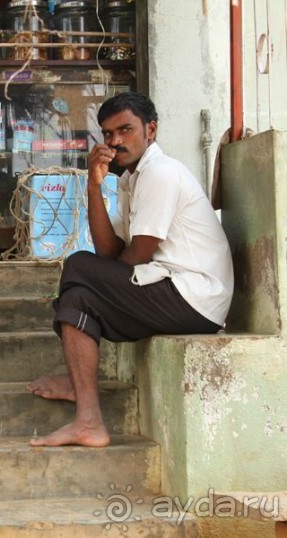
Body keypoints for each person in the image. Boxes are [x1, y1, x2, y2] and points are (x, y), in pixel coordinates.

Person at [27, 92, 233, 447]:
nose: (115, 141)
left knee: (79, 267)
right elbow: (109, 249)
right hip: (167, 289)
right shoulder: (130, 180)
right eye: (107, 134)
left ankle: (77, 384)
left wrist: (101, 283)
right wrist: (93, 185)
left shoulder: (161, 173)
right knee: (77, 296)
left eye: (125, 130)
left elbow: (135, 255)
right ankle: (89, 420)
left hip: (194, 297)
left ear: (150, 130)